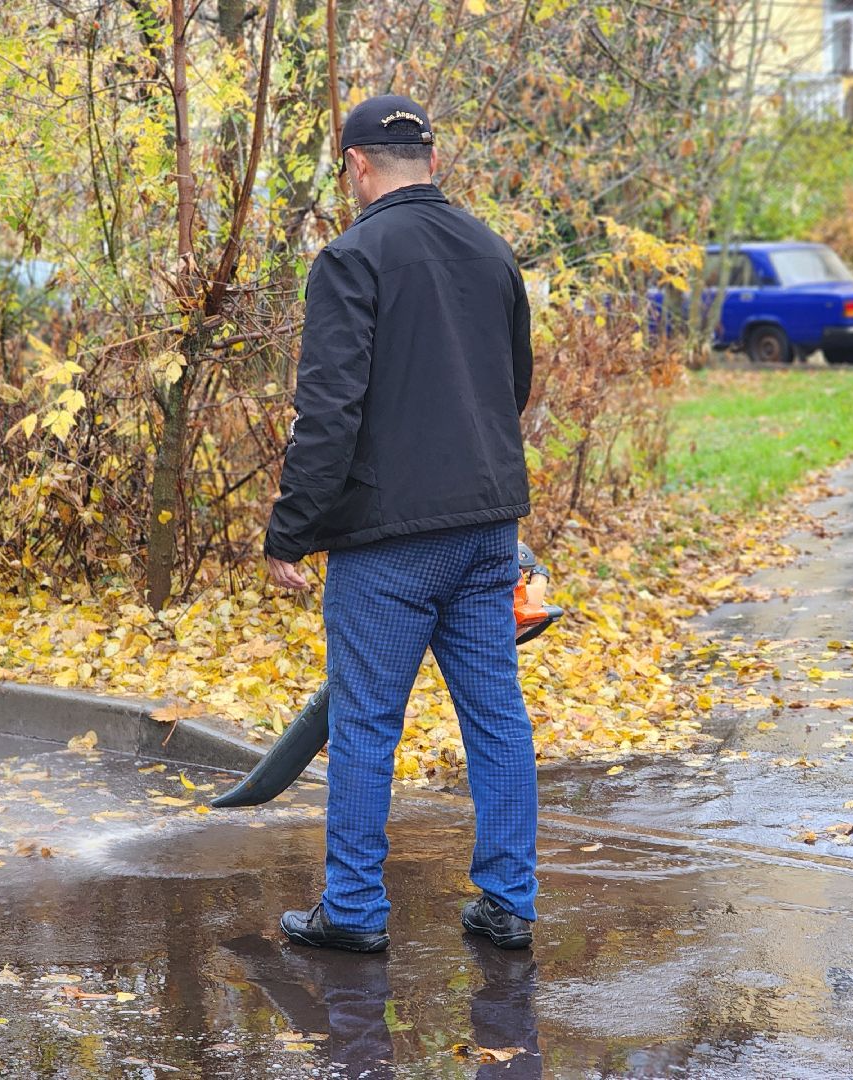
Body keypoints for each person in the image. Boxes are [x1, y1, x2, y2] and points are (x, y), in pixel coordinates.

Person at [263, 93, 537, 953]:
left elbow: (328, 412)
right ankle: (508, 904)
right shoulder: (493, 253)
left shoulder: (352, 258)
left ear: (356, 166)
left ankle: (351, 912)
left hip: (389, 543)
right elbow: (513, 386)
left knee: (364, 724)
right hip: (487, 526)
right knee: (496, 717)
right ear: (430, 159)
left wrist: (291, 529)